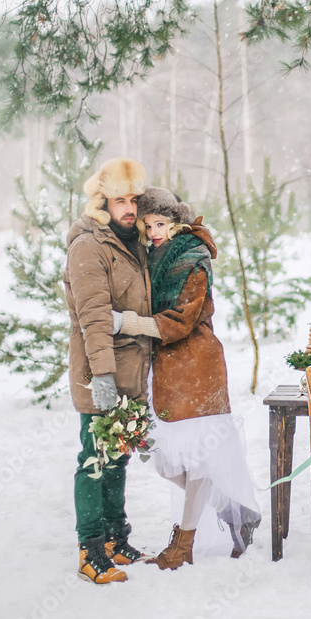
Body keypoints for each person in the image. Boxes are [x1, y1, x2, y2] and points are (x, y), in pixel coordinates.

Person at [114, 186, 261, 569]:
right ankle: (235, 511)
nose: (153, 232)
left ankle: (184, 544)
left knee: (197, 461)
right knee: (165, 463)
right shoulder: (155, 256)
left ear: (175, 221)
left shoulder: (192, 259)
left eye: (160, 223)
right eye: (148, 226)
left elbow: (181, 320)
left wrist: (131, 323)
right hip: (166, 368)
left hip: (197, 365)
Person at [64, 157, 152, 584]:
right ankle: (90, 548)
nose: (130, 208)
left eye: (134, 199)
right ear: (103, 201)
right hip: (100, 369)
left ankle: (116, 538)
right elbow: (94, 316)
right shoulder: (88, 245)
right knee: (94, 460)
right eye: (121, 200)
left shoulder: (130, 241)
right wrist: (101, 375)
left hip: (130, 370)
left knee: (118, 457)